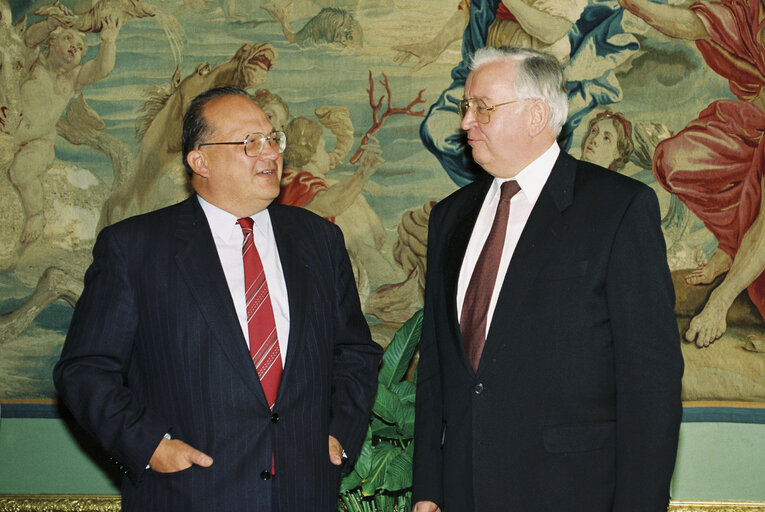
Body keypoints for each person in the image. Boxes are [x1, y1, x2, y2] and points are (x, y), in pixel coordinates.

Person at [53, 86, 382, 512]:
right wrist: (149, 446)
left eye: (273, 139)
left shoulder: (318, 240)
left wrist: (339, 431)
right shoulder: (135, 248)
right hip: (190, 495)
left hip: (303, 494)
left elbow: (354, 351)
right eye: (250, 143)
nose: (270, 154)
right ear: (200, 160)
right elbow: (85, 370)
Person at [412, 46, 683, 512]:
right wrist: (428, 490)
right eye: (465, 106)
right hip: (462, 492)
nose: (465, 122)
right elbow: (437, 366)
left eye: (483, 108)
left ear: (536, 114)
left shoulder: (618, 209)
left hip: (571, 492)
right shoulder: (450, 218)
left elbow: (651, 385)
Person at [619, 0, 765, 348]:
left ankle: (723, 298)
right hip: (753, 129)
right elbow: (692, 23)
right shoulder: (749, 8)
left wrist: (719, 299)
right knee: (674, 160)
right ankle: (732, 248)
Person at [10, 9, 120, 243]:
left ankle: (35, 215)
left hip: (40, 142)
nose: (74, 47)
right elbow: (28, 39)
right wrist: (50, 23)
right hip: (9, 133)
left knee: (22, 171)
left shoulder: (72, 79)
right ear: (51, 41)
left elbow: (102, 69)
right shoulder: (33, 62)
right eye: (68, 38)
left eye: (80, 47)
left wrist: (109, 41)